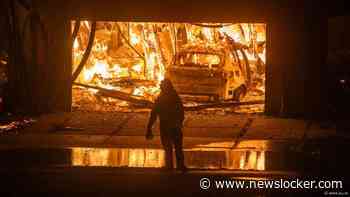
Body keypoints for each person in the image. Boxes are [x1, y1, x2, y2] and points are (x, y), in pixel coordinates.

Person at [146, 78, 187, 171]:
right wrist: (179, 123)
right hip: (174, 126)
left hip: (167, 125)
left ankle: (170, 166)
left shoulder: (162, 98)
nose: (160, 86)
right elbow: (181, 112)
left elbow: (154, 113)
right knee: (177, 147)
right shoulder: (174, 96)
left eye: (162, 84)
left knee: (169, 147)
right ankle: (179, 166)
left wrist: (149, 127)